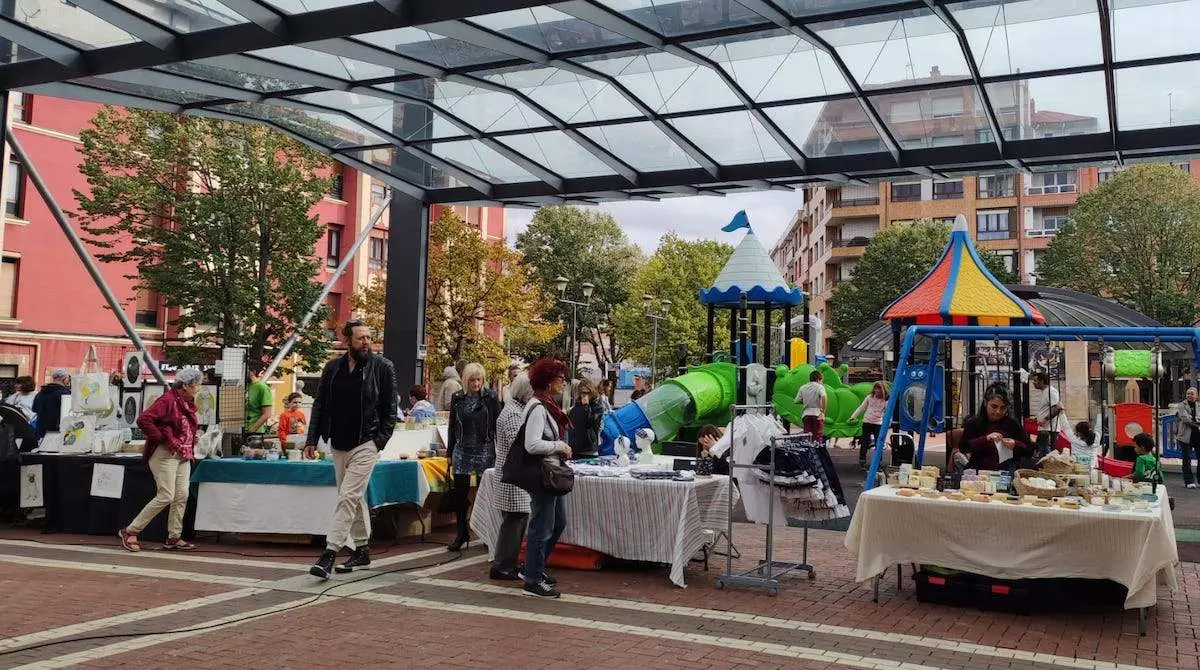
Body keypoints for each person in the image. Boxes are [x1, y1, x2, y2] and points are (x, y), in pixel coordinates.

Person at [304, 320, 398, 579]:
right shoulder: (333, 368)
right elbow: (320, 405)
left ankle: (329, 553)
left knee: (347, 497)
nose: (366, 343)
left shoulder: (382, 367)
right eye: (361, 339)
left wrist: (379, 441)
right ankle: (363, 550)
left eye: (369, 338)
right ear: (348, 342)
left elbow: (391, 410)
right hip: (338, 443)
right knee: (352, 499)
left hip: (366, 442)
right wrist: (312, 439)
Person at [118, 367, 203, 552]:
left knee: (181, 496)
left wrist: (188, 438)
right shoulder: (167, 400)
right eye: (196, 384)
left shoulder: (185, 402)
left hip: (182, 454)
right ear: (186, 385)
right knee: (166, 495)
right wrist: (162, 438)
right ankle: (130, 530)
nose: (199, 387)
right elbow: (144, 419)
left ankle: (174, 536)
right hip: (165, 454)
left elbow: (181, 426)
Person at [522, 358, 573, 599]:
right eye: (560, 378)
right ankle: (532, 578)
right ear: (548, 381)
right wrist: (559, 445)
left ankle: (536, 567)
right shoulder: (539, 407)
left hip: (552, 473)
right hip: (544, 474)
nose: (563, 382)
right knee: (541, 526)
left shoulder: (547, 405)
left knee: (557, 522)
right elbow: (531, 444)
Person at [446, 362, 500, 552]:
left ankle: (486, 532)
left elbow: (497, 424)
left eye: (479, 380)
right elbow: (452, 426)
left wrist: (499, 450)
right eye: (472, 380)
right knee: (460, 493)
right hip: (462, 449)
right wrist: (449, 452)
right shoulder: (457, 398)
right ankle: (461, 532)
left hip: (485, 449)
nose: (476, 383)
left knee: (484, 493)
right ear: (465, 381)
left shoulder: (490, 397)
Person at [491, 373, 533, 581]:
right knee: (515, 520)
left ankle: (506, 563)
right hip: (512, 476)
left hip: (510, 474)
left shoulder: (514, 410)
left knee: (514, 520)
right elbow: (521, 444)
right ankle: (504, 565)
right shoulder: (514, 414)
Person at [958, 388, 1033, 471]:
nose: (998, 411)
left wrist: (1016, 444)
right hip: (979, 472)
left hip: (1006, 473)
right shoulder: (974, 423)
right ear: (986, 403)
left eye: (1003, 408)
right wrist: (985, 439)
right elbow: (964, 448)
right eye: (994, 406)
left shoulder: (1012, 424)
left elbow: (1029, 450)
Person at [850, 382, 889, 470]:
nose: (876, 391)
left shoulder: (886, 400)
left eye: (878, 389)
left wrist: (887, 423)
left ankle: (878, 462)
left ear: (882, 390)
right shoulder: (870, 397)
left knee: (878, 443)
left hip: (878, 423)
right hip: (867, 421)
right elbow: (862, 407)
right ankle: (862, 460)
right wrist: (853, 416)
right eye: (875, 389)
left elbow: (887, 412)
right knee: (864, 441)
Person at [1028, 372, 1068, 449]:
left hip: (1049, 429)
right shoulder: (1045, 392)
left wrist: (1044, 419)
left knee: (1045, 451)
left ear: (1042, 381)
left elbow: (1057, 408)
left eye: (1035, 380)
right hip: (1045, 429)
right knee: (1041, 450)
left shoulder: (1051, 391)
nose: (1033, 383)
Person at [568, 379, 603, 460]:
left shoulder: (597, 407)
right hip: (575, 449)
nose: (585, 395)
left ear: (592, 392)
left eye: (588, 393)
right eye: (583, 393)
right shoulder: (575, 407)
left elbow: (591, 423)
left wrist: (586, 407)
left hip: (589, 450)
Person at [31, 369, 71, 439]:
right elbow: (68, 413)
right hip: (57, 433)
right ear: (64, 378)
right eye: (68, 378)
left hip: (41, 432)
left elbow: (34, 409)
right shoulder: (65, 394)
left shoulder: (40, 394)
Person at [1173, 387, 1199, 489]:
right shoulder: (1181, 405)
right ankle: (1189, 481)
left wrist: (1194, 420)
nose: (1189, 395)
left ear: (1196, 396)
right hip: (1185, 436)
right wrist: (1196, 422)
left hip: (1197, 435)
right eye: (1188, 394)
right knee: (1186, 459)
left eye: (1192, 394)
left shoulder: (1198, 405)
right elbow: (1185, 418)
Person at [795, 370, 826, 443]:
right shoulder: (820, 387)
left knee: (807, 436)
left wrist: (806, 401)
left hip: (806, 414)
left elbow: (796, 401)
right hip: (817, 413)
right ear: (818, 379)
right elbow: (824, 397)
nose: (821, 382)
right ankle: (817, 452)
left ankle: (808, 452)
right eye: (821, 380)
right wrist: (823, 412)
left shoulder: (803, 387)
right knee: (818, 437)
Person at [244, 362, 273, 436]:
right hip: (240, 429)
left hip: (254, 432)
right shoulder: (244, 386)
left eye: (243, 370)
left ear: (253, 372)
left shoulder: (262, 388)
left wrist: (252, 429)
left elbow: (267, 413)